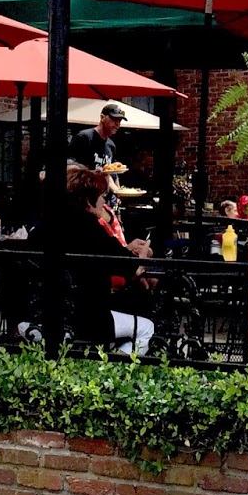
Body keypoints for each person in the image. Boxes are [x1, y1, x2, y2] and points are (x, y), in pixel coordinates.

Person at [57, 165, 155, 356]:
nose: (104, 200)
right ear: (87, 201)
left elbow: (109, 256)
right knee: (146, 329)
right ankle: (114, 369)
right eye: (101, 195)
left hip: (52, 312)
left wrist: (126, 250)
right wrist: (142, 258)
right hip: (91, 316)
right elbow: (130, 267)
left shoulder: (51, 225)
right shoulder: (92, 230)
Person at [68, 103, 126, 191]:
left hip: (104, 196)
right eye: (114, 119)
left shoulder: (111, 145)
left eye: (119, 121)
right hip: (86, 193)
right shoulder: (85, 137)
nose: (117, 124)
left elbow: (111, 174)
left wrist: (119, 192)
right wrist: (92, 172)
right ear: (102, 117)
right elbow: (70, 164)